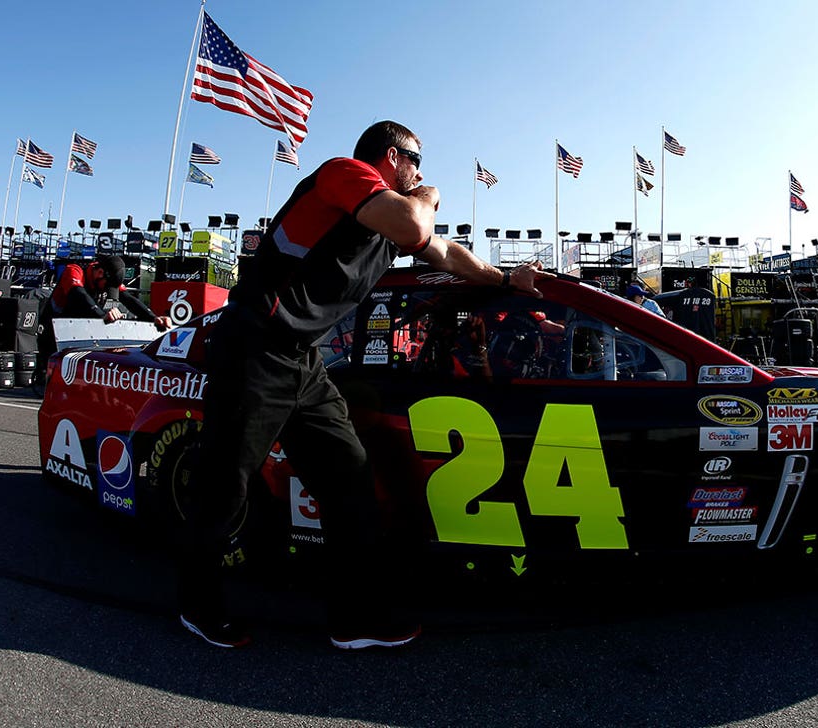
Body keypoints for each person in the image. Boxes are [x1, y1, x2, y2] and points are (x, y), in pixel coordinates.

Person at [176, 120, 551, 651]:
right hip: (254, 348)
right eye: (415, 160)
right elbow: (418, 225)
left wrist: (507, 280)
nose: (422, 173)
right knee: (224, 490)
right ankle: (197, 606)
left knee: (349, 479)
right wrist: (431, 193)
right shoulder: (343, 174)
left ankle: (354, 619)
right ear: (391, 158)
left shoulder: (384, 221)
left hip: (301, 363)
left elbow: (444, 254)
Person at [37, 254, 171, 360]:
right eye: (106, 286)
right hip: (53, 329)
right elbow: (79, 295)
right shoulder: (75, 270)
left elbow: (129, 300)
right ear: (100, 272)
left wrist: (154, 318)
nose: (106, 290)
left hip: (77, 330)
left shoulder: (109, 276)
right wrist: (102, 315)